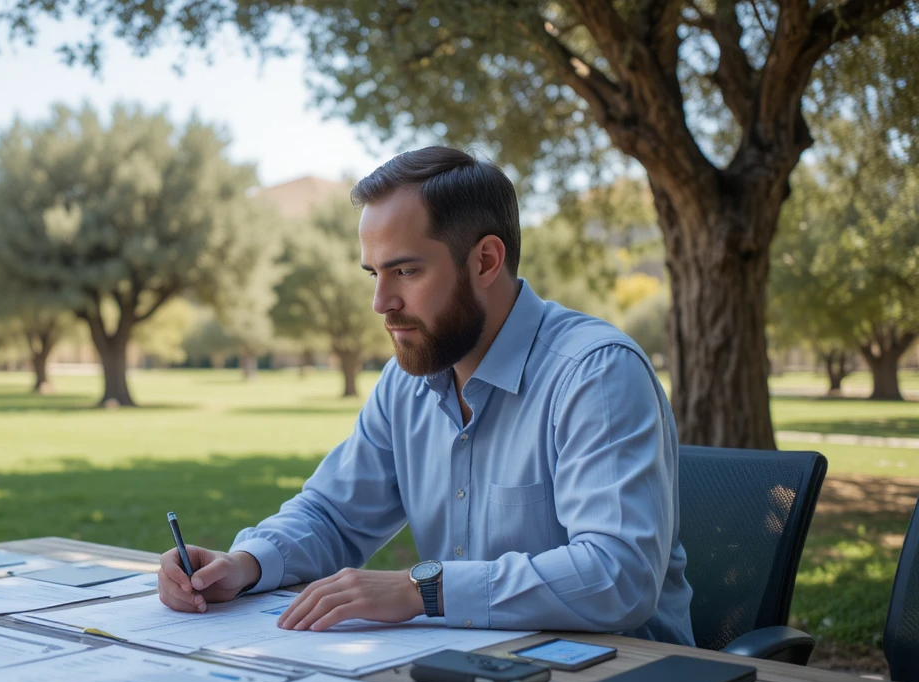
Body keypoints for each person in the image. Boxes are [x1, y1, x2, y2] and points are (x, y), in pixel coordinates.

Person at [158, 146, 694, 645]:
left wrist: (420, 590)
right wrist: (245, 564)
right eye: (374, 273)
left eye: (406, 270)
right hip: (469, 673)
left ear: (485, 261)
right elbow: (333, 514)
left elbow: (616, 576)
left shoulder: (595, 374)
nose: (380, 302)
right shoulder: (409, 380)